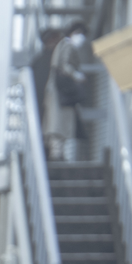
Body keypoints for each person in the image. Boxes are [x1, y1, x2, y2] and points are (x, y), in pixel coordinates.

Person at [44, 22, 92, 160]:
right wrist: (77, 76)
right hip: (62, 94)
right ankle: (57, 156)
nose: (81, 37)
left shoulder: (62, 45)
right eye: (79, 34)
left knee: (57, 126)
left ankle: (57, 154)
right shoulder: (68, 45)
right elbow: (65, 65)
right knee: (60, 126)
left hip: (57, 92)